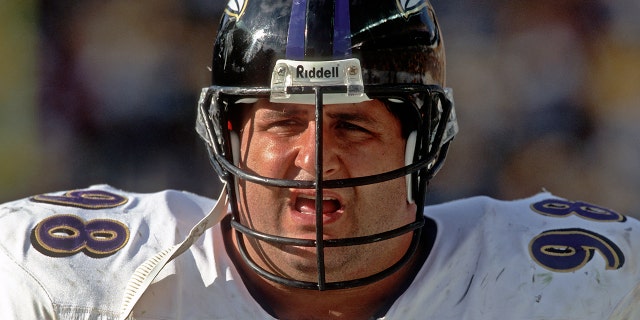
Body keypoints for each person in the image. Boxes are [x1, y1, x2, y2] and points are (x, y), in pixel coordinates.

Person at [1, 0, 639, 319]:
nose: (315, 161)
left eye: (355, 126)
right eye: (283, 123)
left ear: (421, 145)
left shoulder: (581, 285)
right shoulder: (79, 280)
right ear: (228, 138)